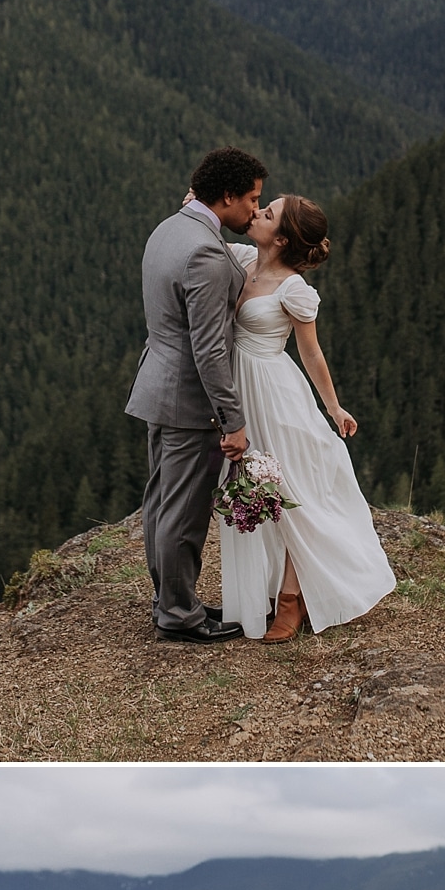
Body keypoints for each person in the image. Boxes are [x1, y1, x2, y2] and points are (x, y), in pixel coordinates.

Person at [221, 194, 396, 643]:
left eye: (267, 212)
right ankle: (257, 590)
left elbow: (311, 353)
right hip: (241, 395)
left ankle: (291, 598)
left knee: (289, 493)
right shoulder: (243, 259)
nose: (256, 213)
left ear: (281, 238)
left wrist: (333, 406)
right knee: (250, 491)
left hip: (277, 398)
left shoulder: (294, 290)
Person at [126, 147, 266, 644]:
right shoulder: (205, 251)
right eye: (251, 199)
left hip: (158, 385)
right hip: (189, 398)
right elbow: (209, 349)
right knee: (183, 511)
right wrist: (233, 420)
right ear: (225, 196)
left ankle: (172, 598)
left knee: (162, 501)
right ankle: (179, 616)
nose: (254, 210)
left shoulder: (171, 228)